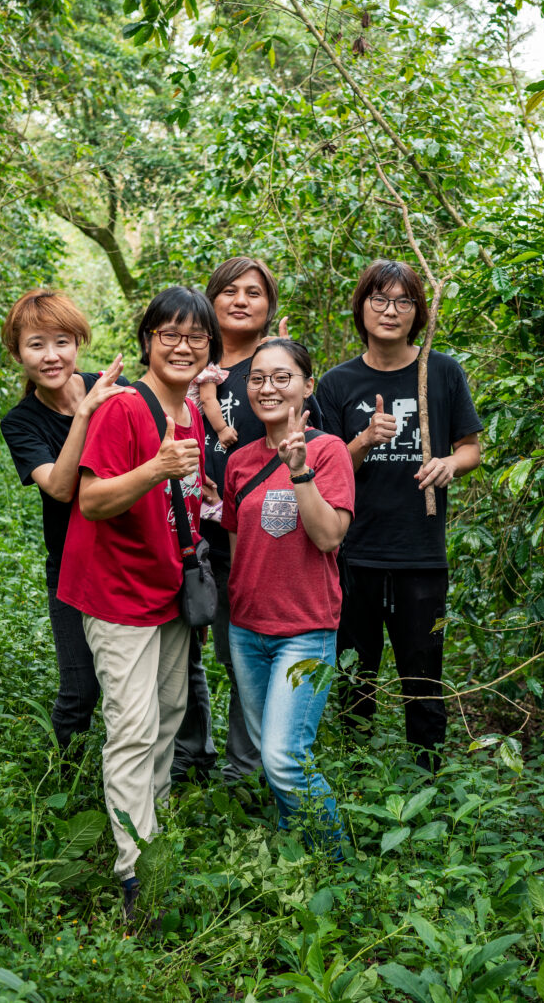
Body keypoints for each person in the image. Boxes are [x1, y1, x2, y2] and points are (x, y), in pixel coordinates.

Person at [57, 286, 217, 918]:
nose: (182, 345)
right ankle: (134, 874)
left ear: (207, 349)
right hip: (117, 590)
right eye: (169, 333)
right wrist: (155, 469)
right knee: (132, 727)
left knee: (171, 712)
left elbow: (183, 499)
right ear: (148, 338)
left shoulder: (192, 412)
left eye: (194, 336)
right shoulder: (125, 408)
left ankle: (153, 831)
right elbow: (91, 500)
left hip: (168, 585)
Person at [314, 260, 482, 772]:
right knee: (354, 675)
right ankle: (357, 776)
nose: (390, 311)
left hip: (421, 553)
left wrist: (449, 464)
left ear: (418, 312)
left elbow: (471, 448)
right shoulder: (337, 383)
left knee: (424, 675)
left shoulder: (442, 371)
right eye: (379, 300)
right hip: (355, 551)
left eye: (403, 301)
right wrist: (364, 440)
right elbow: (323, 467)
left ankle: (429, 779)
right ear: (361, 307)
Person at [172, 258, 298, 784]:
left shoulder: (275, 371)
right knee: (181, 652)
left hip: (251, 540)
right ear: (210, 300)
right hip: (183, 535)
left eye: (254, 292)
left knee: (243, 655)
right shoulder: (184, 360)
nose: (240, 300)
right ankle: (186, 759)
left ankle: (242, 772)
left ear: (269, 305)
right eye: (228, 290)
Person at [222, 340, 353, 841]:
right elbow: (240, 546)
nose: (267, 387)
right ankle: (294, 853)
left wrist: (300, 470)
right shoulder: (239, 461)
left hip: (305, 631)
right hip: (247, 630)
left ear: (306, 385)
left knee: (283, 757)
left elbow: (328, 537)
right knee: (269, 749)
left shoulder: (328, 451)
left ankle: (338, 862)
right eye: (257, 378)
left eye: (282, 377)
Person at [0, 290, 132, 755]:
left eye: (62, 341)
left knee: (141, 684)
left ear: (78, 342)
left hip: (130, 556)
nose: (51, 356)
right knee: (81, 689)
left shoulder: (116, 389)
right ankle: (63, 781)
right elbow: (58, 487)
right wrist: (87, 411)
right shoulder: (22, 422)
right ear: (17, 353)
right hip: (73, 566)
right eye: (36, 345)